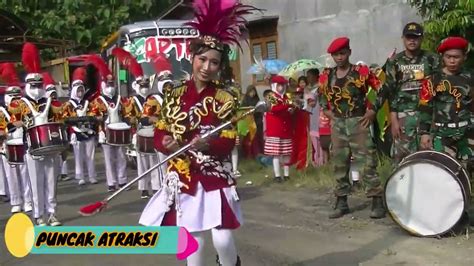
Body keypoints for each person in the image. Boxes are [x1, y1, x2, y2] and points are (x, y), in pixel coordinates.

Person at [139, 1, 259, 265]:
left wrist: (209, 144)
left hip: (214, 174)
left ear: (220, 66)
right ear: (192, 58)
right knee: (193, 242)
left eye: (214, 62)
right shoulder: (174, 94)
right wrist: (166, 142)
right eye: (202, 59)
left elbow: (229, 138)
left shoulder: (226, 97)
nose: (206, 66)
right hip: (183, 175)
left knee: (223, 240)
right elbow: (161, 129)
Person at [319, 37, 385, 219]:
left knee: (367, 161)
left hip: (358, 121)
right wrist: (326, 111)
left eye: (342, 53)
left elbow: (381, 89)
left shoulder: (360, 72)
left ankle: (376, 201)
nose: (339, 57)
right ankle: (341, 201)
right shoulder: (327, 75)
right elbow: (321, 95)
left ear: (349, 52)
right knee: (339, 162)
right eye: (335, 55)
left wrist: (372, 110)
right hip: (338, 123)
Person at [8, 42, 64, 226]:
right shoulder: (20, 103)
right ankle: (39, 215)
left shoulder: (50, 102)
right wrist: (23, 123)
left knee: (51, 182)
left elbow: (60, 118)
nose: (38, 87)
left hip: (51, 146)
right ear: (28, 85)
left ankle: (52, 213)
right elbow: (11, 122)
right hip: (32, 148)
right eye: (34, 85)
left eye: (40, 84)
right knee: (35, 183)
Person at [418, 36, 473, 190]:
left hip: (466, 133)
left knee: (466, 173)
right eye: (448, 57)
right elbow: (425, 107)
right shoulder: (433, 80)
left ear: (464, 57)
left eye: (456, 57)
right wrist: (424, 133)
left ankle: (465, 210)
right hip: (443, 133)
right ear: (443, 57)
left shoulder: (470, 77)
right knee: (444, 173)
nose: (452, 61)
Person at [384, 22, 440, 163]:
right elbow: (391, 91)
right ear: (403, 38)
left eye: (415, 37)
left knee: (429, 157)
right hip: (403, 117)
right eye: (409, 37)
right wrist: (393, 119)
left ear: (421, 39)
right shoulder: (395, 62)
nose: (412, 40)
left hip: (427, 115)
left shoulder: (432, 59)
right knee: (402, 158)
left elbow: (439, 88)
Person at [114, 47, 162, 199]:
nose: (145, 88)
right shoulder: (132, 101)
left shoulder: (154, 99)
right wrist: (135, 128)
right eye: (142, 86)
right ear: (137, 86)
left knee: (154, 161)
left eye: (146, 86)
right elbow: (129, 116)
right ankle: (143, 188)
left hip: (153, 131)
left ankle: (155, 186)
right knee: (142, 163)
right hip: (140, 131)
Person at [88, 64, 130, 192]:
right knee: (109, 158)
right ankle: (111, 183)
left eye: (112, 84)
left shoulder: (120, 99)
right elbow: (92, 114)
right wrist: (98, 122)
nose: (110, 87)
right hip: (106, 132)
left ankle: (122, 181)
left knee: (121, 157)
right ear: (103, 85)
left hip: (119, 130)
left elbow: (126, 112)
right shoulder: (98, 101)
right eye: (108, 84)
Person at [0, 63, 32, 213]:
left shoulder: (26, 109)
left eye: (17, 96)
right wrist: (10, 127)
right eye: (12, 96)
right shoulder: (1, 111)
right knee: (11, 176)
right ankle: (16, 201)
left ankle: (28, 200)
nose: (15, 99)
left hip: (23, 144)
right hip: (7, 146)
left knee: (26, 175)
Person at [63, 67, 98, 186]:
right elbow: (65, 119)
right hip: (76, 133)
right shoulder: (68, 104)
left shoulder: (88, 103)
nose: (80, 92)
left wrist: (91, 122)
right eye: (78, 90)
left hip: (88, 132)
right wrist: (72, 132)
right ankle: (80, 176)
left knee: (90, 156)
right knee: (78, 156)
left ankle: (92, 176)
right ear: (73, 91)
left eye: (82, 90)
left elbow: (93, 115)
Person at [264, 75, 295, 181]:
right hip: (275, 130)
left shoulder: (288, 96)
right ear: (274, 85)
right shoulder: (270, 96)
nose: (281, 88)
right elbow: (274, 109)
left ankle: (286, 175)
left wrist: (292, 109)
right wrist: (287, 106)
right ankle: (277, 176)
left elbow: (291, 107)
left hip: (286, 129)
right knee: (275, 154)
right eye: (279, 85)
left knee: (287, 153)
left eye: (283, 85)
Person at [44, 73, 70, 182]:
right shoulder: (45, 105)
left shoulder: (60, 104)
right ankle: (55, 173)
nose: (53, 95)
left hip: (62, 129)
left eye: (54, 93)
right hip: (50, 130)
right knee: (54, 153)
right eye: (51, 93)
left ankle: (64, 172)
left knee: (63, 151)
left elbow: (66, 115)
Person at [241, 85, 263, 157]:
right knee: (248, 138)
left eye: (254, 92)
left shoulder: (257, 99)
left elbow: (260, 109)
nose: (252, 93)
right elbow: (241, 110)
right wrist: (248, 109)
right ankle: (248, 153)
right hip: (248, 121)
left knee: (256, 138)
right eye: (251, 92)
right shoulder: (245, 100)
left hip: (256, 121)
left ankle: (257, 153)